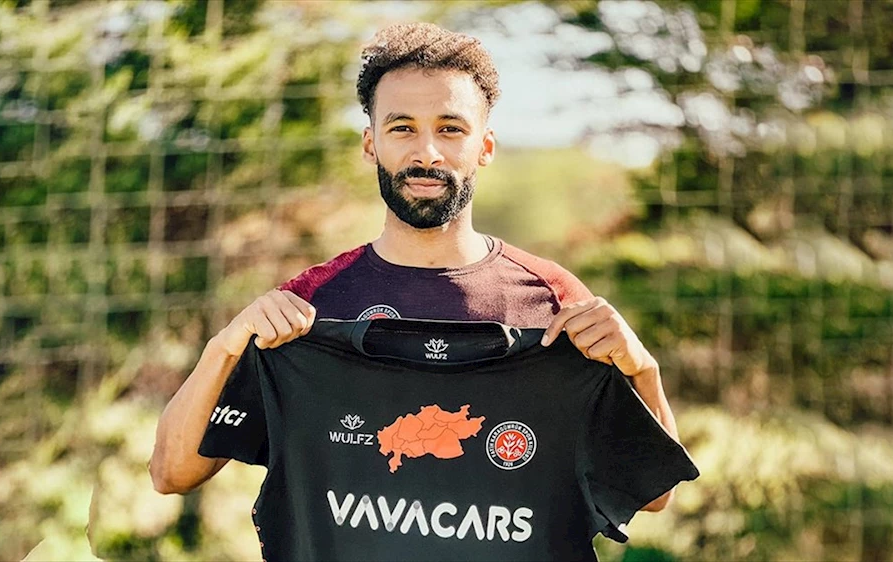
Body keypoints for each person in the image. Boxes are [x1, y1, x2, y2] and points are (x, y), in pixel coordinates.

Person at [149, 22, 681, 516]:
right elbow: (172, 473)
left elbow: (655, 495)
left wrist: (642, 371)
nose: (427, 152)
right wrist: (225, 348)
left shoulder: (554, 301)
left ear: (484, 146)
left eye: (450, 129)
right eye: (402, 128)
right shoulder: (308, 306)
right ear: (371, 144)